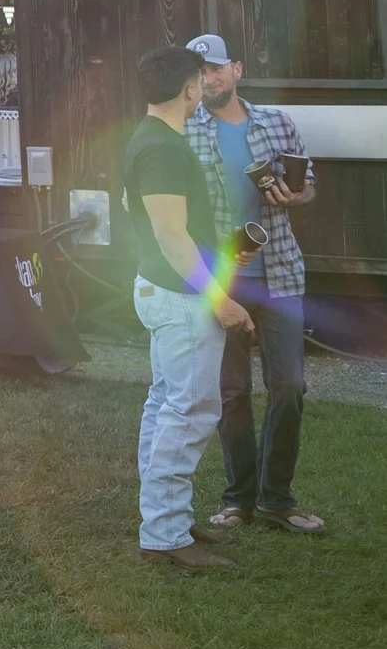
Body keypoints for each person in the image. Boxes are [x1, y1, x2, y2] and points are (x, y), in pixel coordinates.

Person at [184, 34, 324, 536]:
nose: (208, 78)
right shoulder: (185, 131)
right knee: (232, 392)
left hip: (281, 272)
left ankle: (277, 498)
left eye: (216, 68)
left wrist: (296, 196)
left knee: (289, 385)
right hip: (223, 280)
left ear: (237, 69)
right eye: (199, 71)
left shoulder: (276, 123)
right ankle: (239, 500)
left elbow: (310, 184)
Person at [122, 44, 253, 570]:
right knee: (190, 411)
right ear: (189, 89)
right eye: (200, 81)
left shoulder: (148, 138)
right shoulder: (164, 149)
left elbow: (140, 211)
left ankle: (168, 518)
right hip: (180, 298)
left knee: (165, 405)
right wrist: (219, 300)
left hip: (163, 290)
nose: (203, 88)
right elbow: (172, 237)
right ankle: (166, 534)